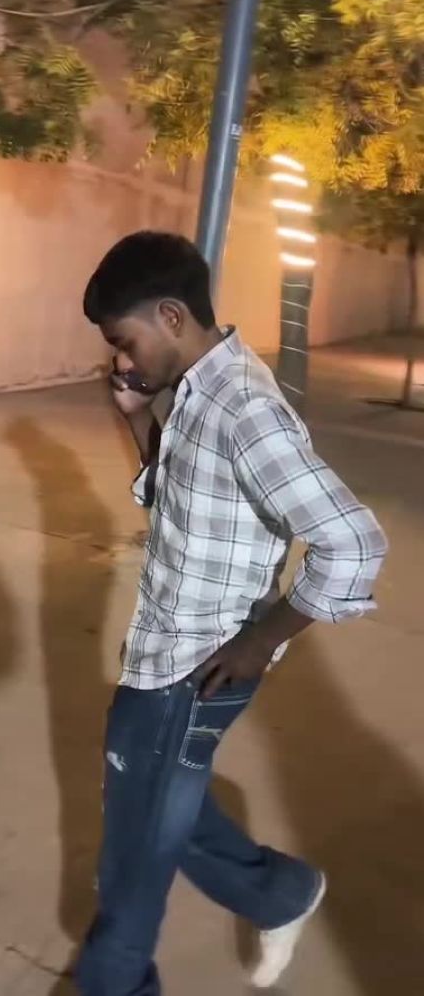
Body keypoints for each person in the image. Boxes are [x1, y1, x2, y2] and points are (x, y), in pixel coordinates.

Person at [75, 231, 388, 995]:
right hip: (165, 647)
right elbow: (185, 502)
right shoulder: (197, 390)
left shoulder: (245, 409)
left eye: (125, 342)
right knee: (151, 810)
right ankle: (278, 893)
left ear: (171, 316)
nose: (122, 360)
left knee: (129, 876)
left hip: (199, 667)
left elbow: (353, 541)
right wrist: (137, 416)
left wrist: (262, 639)